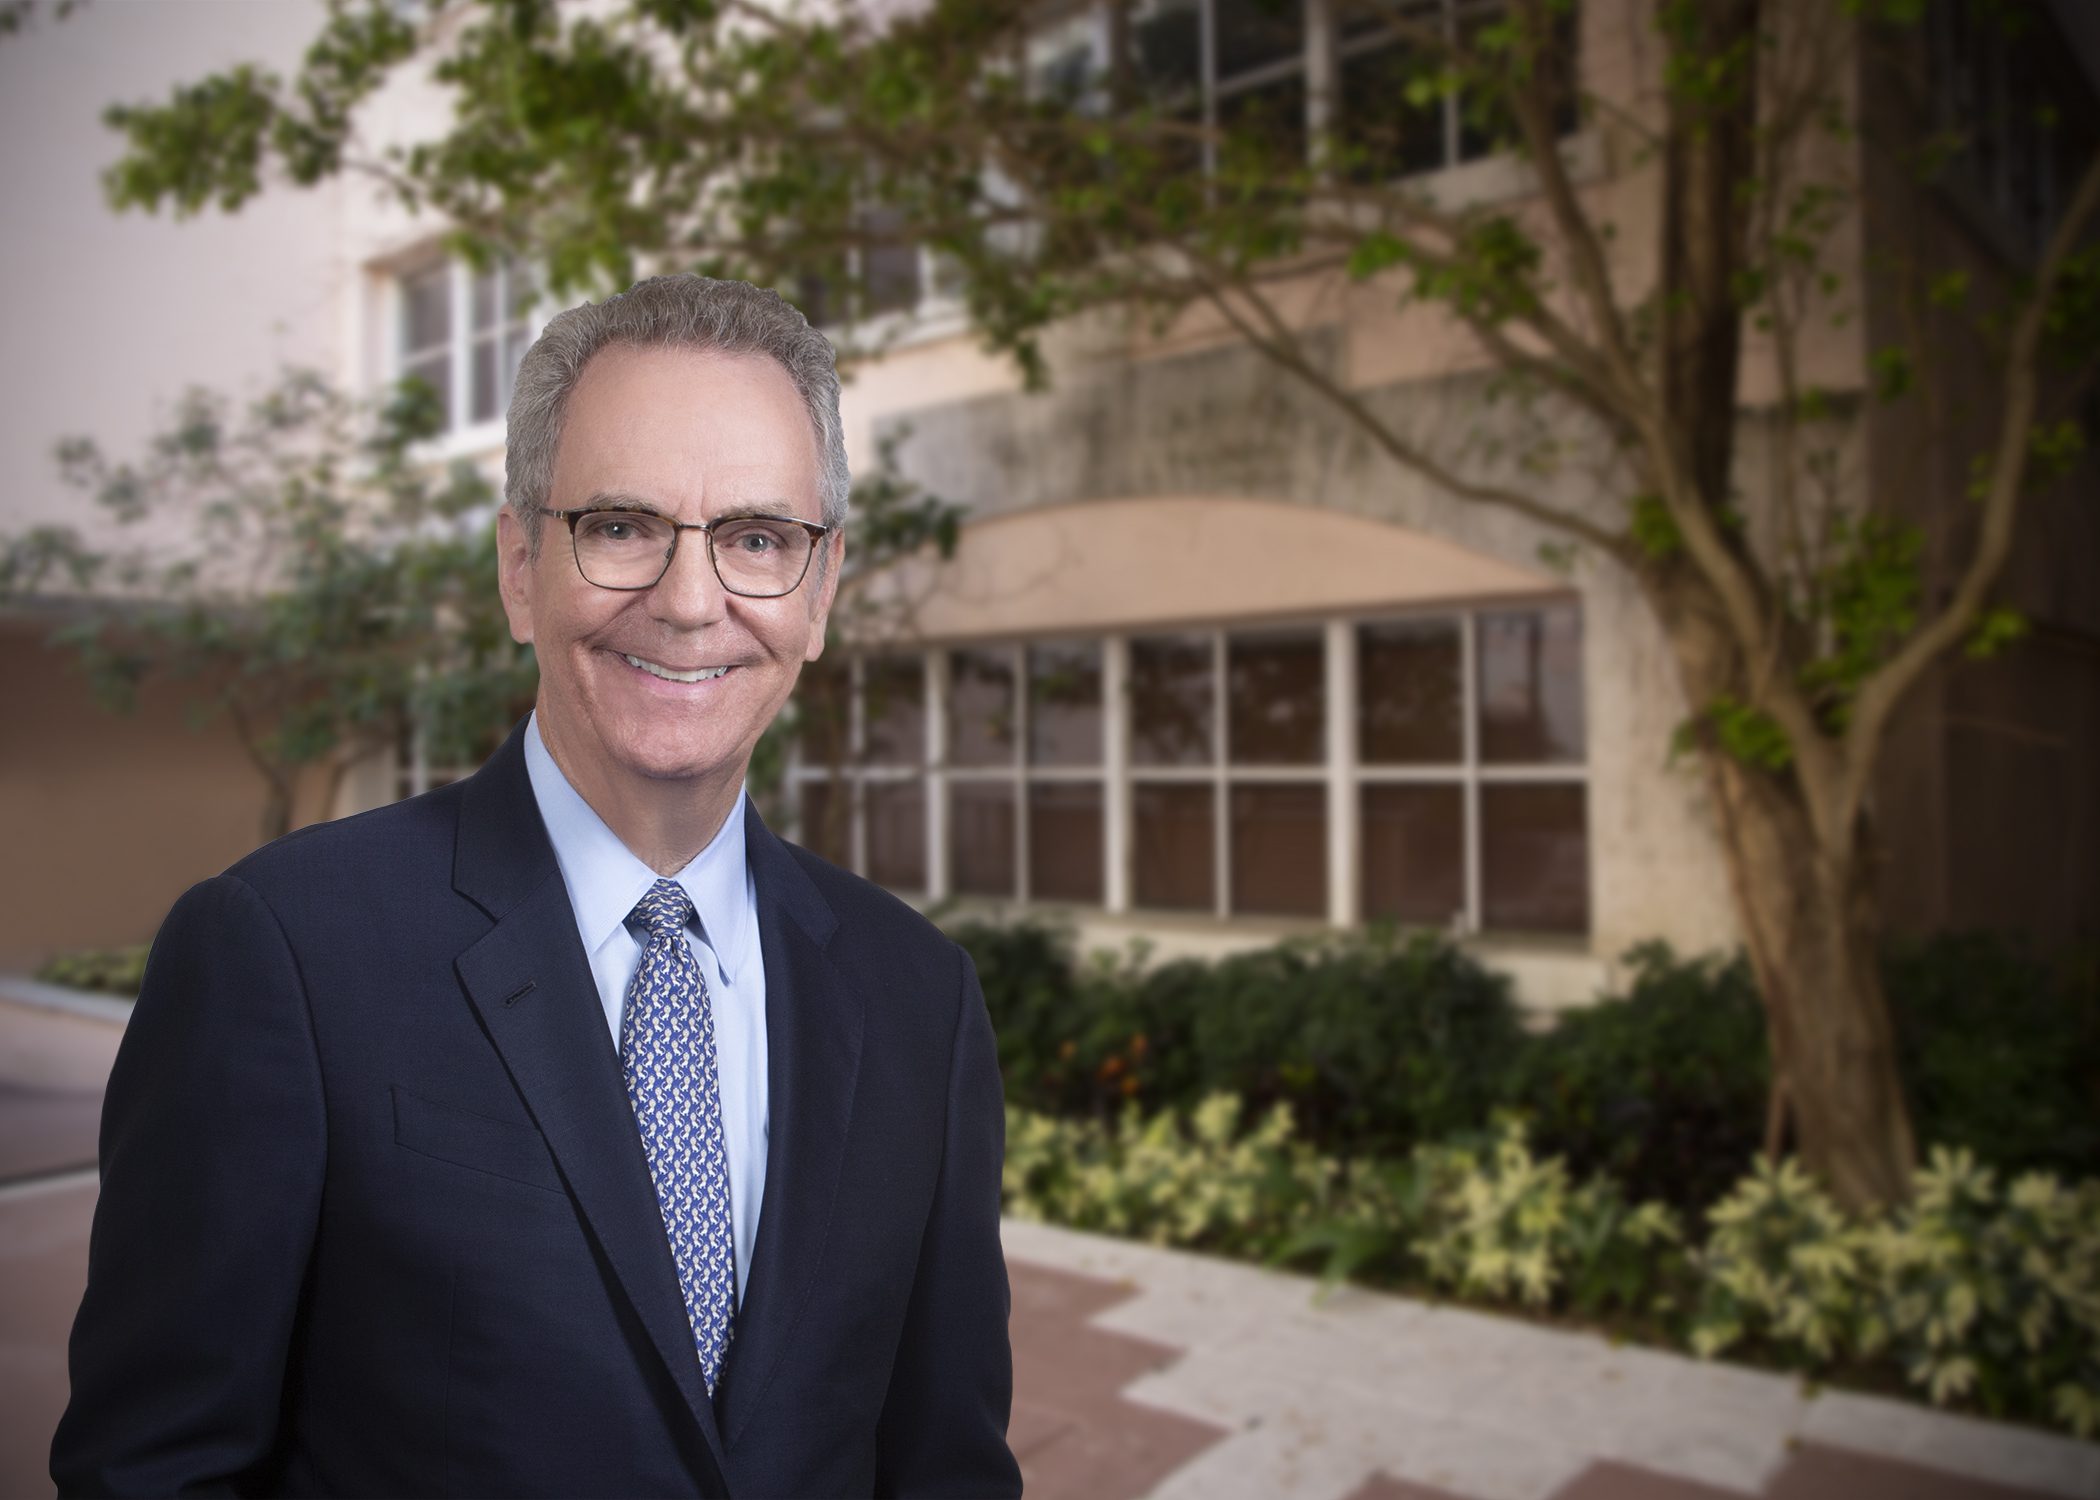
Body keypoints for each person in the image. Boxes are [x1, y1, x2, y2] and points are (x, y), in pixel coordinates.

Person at [51, 276, 1022, 1499]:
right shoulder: (284, 956)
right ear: (521, 567)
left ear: (819, 594)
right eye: (620, 526)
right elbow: (155, 1472)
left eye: (758, 539)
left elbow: (946, 1471)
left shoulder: (917, 1000)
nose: (686, 600)